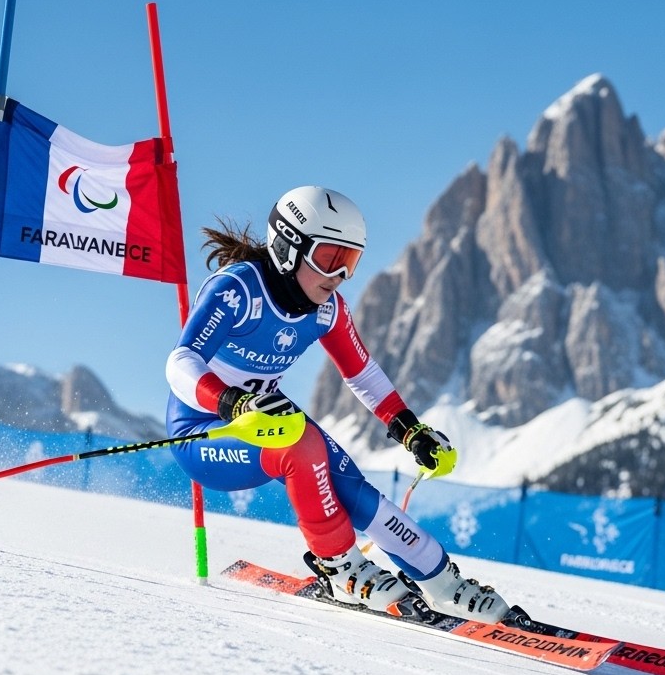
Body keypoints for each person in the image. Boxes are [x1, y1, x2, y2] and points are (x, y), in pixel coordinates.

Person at [165, 185, 517, 623]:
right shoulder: (237, 290)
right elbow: (181, 362)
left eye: (349, 262)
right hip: (204, 432)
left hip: (263, 417)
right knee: (301, 444)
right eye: (330, 259)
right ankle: (340, 568)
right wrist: (231, 403)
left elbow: (362, 372)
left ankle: (440, 579)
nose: (338, 275)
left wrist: (409, 429)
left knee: (347, 482)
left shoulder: (327, 310)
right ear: (287, 249)